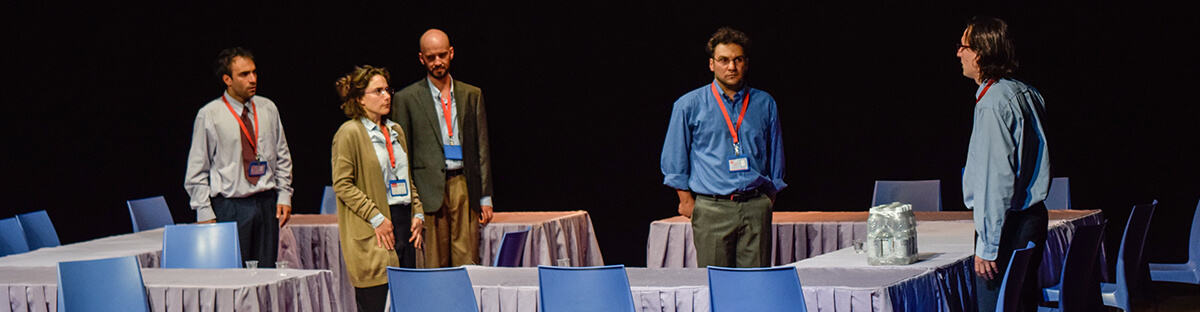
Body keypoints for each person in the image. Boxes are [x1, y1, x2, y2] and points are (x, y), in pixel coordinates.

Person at [660, 27, 786, 268]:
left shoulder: (764, 103)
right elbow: (674, 157)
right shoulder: (689, 104)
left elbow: (776, 152)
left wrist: (769, 198)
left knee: (755, 286)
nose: (731, 67)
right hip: (711, 208)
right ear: (711, 64)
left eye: (737, 60)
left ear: (746, 63)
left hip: (755, 206)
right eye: (724, 60)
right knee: (716, 285)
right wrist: (686, 199)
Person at [957, 17, 1051, 312]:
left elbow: (995, 180)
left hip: (1009, 226)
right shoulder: (1026, 92)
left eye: (964, 47)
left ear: (982, 54)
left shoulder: (993, 103)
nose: (959, 53)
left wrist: (987, 245)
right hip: (1031, 220)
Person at [392, 29, 494, 267]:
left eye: (441, 55)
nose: (437, 62)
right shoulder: (407, 98)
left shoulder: (471, 94)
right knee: (433, 263)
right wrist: (410, 199)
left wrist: (485, 196)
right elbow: (402, 154)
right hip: (428, 189)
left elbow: (482, 146)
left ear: (451, 53)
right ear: (421, 58)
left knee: (467, 259)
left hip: (464, 185)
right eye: (431, 57)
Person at [185, 47, 293, 268]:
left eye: (254, 72)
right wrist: (204, 211)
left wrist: (284, 195)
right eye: (244, 75)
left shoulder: (267, 108)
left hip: (266, 203)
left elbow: (282, 155)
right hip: (230, 206)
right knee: (234, 276)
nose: (252, 79)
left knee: (265, 275)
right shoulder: (210, 114)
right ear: (227, 79)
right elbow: (197, 169)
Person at [331, 65, 426, 312]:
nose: (387, 96)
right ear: (360, 99)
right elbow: (342, 184)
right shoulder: (349, 133)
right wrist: (376, 217)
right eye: (378, 91)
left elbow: (406, 176)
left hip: (404, 224)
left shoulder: (395, 130)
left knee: (409, 303)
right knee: (377, 301)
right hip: (376, 228)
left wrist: (417, 211)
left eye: (388, 89)